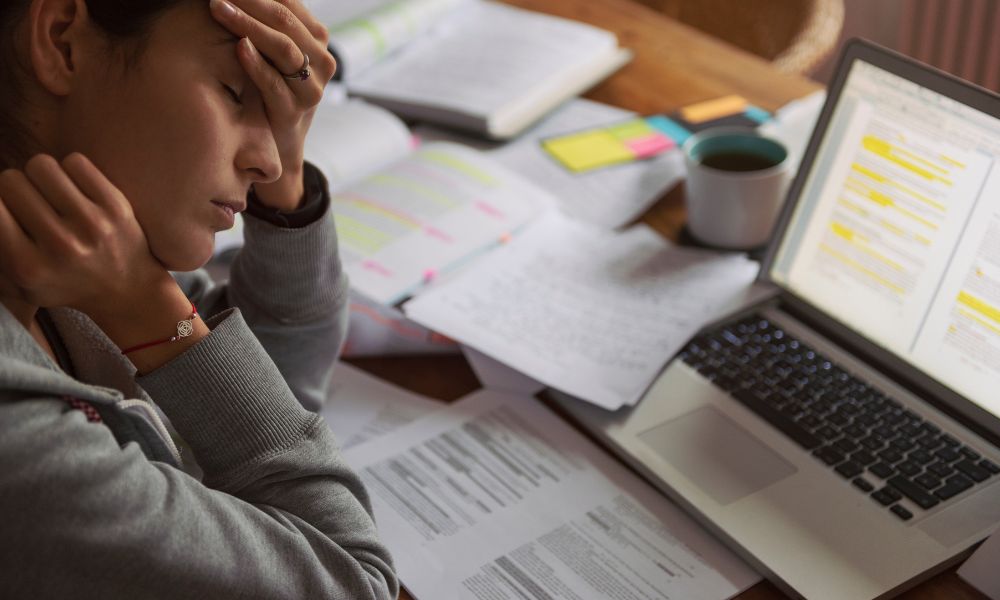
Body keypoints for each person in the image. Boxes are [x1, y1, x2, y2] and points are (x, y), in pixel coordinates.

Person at [0, 0, 398, 598]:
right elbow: (356, 579)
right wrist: (149, 310)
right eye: (237, 92)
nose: (268, 162)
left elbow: (263, 400)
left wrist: (287, 187)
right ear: (62, 41)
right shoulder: (23, 445)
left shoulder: (72, 245)